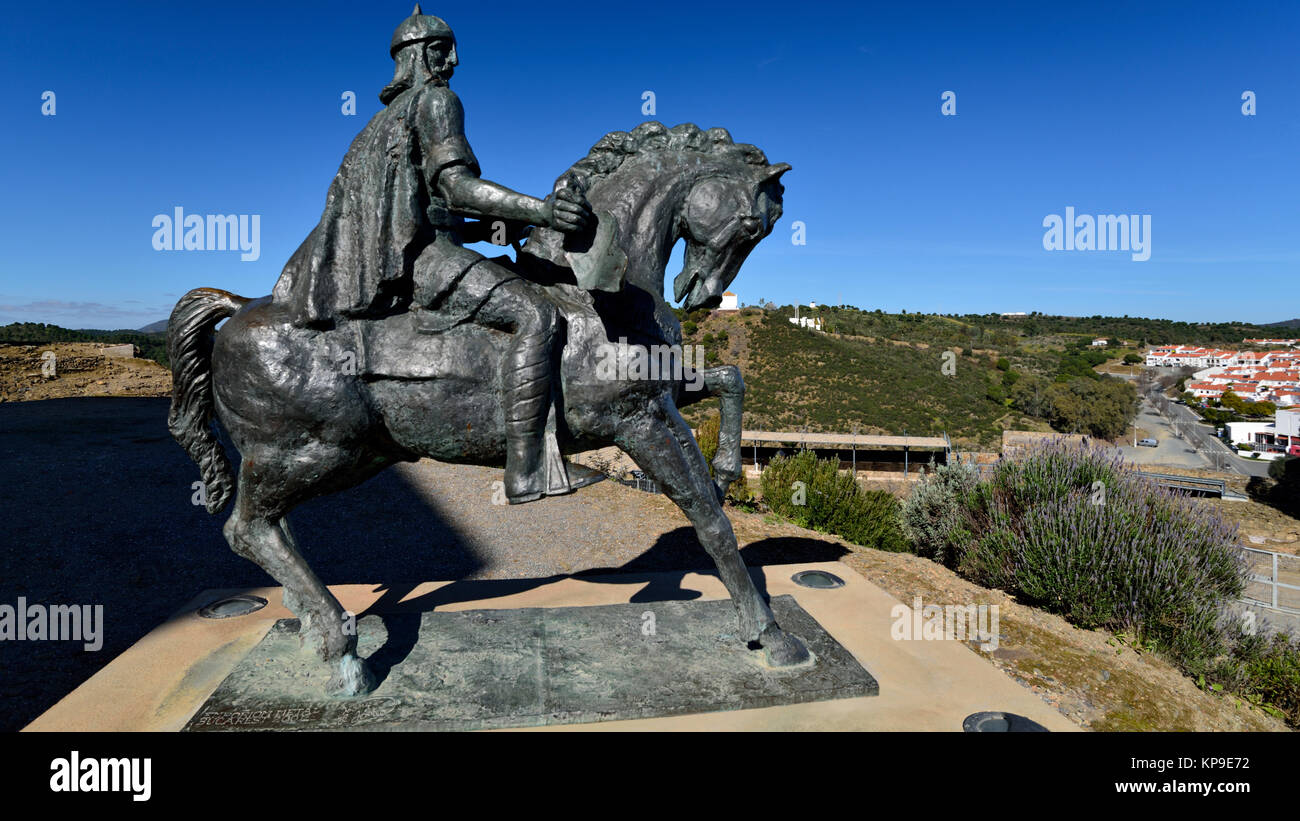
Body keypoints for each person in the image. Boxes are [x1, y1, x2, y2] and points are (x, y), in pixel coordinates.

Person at [272, 5, 593, 503]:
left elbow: (422, 209)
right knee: (538, 314)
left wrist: (482, 230)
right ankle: (529, 469)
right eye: (445, 49)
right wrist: (544, 211)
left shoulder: (379, 123)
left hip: (416, 251)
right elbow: (456, 185)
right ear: (422, 54)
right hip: (423, 260)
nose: (455, 59)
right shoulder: (438, 101)